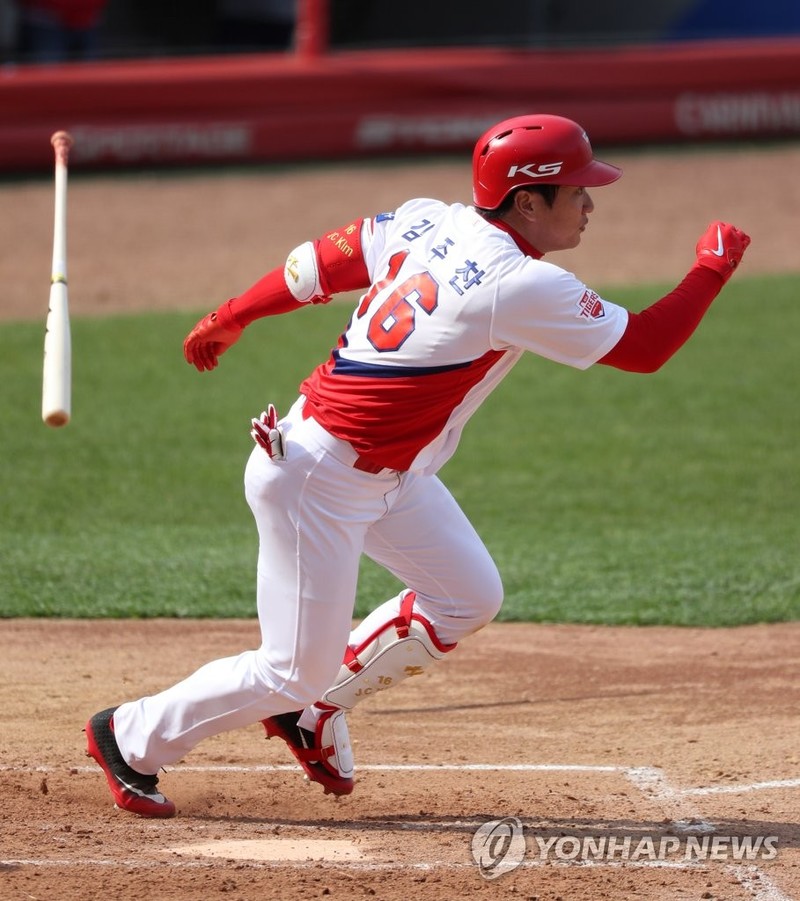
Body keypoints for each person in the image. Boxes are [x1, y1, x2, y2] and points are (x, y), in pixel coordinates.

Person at [85, 114, 750, 818]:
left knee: (468, 594)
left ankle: (311, 711)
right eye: (576, 189)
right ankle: (130, 736)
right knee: (288, 667)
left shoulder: (433, 221)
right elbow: (646, 346)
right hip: (319, 480)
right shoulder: (518, 284)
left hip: (385, 474)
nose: (590, 202)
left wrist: (234, 312)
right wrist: (712, 266)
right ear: (528, 202)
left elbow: (321, 262)